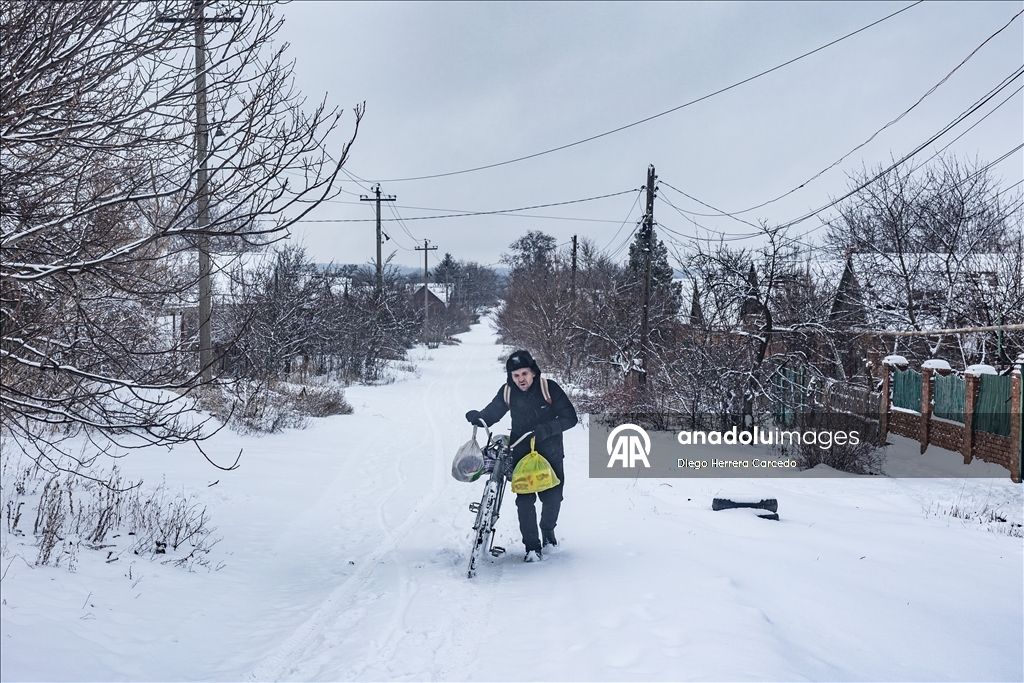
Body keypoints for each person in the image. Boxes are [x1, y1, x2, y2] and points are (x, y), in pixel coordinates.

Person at [465, 350, 578, 562]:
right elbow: (493, 412)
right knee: (524, 500)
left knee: (552, 498)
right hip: (521, 450)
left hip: (550, 452)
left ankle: (547, 530)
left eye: (524, 374)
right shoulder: (508, 391)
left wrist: (546, 429)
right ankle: (532, 547)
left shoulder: (548, 387)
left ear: (533, 372)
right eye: (516, 375)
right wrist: (479, 417)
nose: (521, 379)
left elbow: (570, 418)